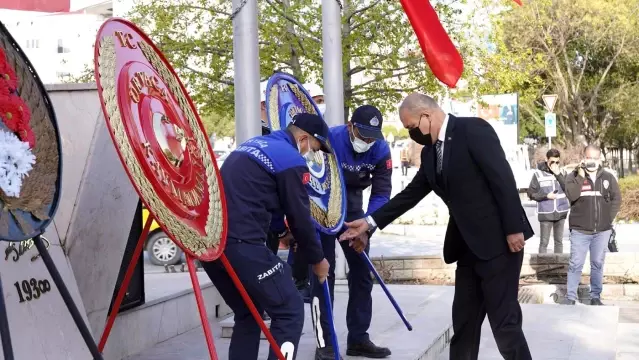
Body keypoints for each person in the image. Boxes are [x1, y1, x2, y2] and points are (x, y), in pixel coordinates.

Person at [340, 93, 534, 360]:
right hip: (467, 249)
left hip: (499, 243)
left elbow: (501, 178)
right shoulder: (431, 153)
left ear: (426, 116)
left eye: (410, 127)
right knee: (464, 325)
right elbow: (410, 194)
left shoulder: (472, 130)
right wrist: (369, 223)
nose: (410, 134)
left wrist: (514, 228)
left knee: (505, 325)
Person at [201, 113, 331, 360]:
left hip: (211, 247)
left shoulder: (252, 146)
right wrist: (318, 259)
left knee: (248, 312)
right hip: (241, 244)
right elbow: (300, 217)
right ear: (303, 138)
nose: (311, 155)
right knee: (290, 310)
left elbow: (265, 199)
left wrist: (282, 233)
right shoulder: (291, 159)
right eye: (313, 148)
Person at [311, 105, 393, 360]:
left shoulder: (380, 149)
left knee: (361, 274)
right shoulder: (329, 139)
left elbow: (381, 193)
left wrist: (368, 227)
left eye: (372, 136)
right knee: (324, 273)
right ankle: (324, 342)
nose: (367, 141)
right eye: (363, 135)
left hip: (354, 209)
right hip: (322, 205)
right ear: (350, 126)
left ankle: (358, 339)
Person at [561, 145, 621, 306]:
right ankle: (571, 297)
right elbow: (572, 195)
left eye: (595, 158)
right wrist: (580, 176)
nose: (592, 161)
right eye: (589, 157)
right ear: (583, 158)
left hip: (602, 231)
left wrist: (608, 219)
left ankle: (595, 296)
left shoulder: (608, 177)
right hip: (580, 231)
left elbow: (616, 199)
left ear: (600, 158)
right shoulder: (572, 176)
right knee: (575, 264)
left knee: (597, 263)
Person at [527, 148, 569, 253]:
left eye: (557, 162)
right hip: (546, 213)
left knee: (559, 242)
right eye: (552, 162)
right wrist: (546, 196)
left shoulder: (563, 172)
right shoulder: (538, 174)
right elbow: (531, 194)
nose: (555, 164)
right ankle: (541, 267)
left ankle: (558, 267)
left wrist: (558, 174)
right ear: (547, 159)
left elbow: (568, 189)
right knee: (544, 243)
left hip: (561, 212)